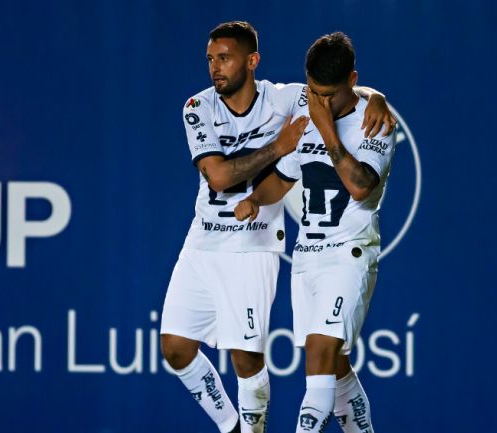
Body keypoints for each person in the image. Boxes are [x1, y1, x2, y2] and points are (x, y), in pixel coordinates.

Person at [161, 21, 394, 433]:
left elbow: (356, 168)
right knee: (332, 366)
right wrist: (258, 191)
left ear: (251, 61)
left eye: (225, 58)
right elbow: (239, 177)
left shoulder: (305, 106)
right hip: (260, 250)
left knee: (295, 360)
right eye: (210, 59)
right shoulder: (201, 106)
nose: (215, 67)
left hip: (305, 250)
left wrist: (377, 97)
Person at [234, 32, 395, 433]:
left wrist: (328, 130)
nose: (320, 102)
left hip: (348, 254)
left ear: (352, 81)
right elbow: (286, 177)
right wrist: (255, 200)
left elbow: (361, 185)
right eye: (313, 91)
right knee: (335, 367)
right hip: (307, 259)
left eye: (329, 95)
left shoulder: (375, 121)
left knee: (320, 358)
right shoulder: (305, 115)